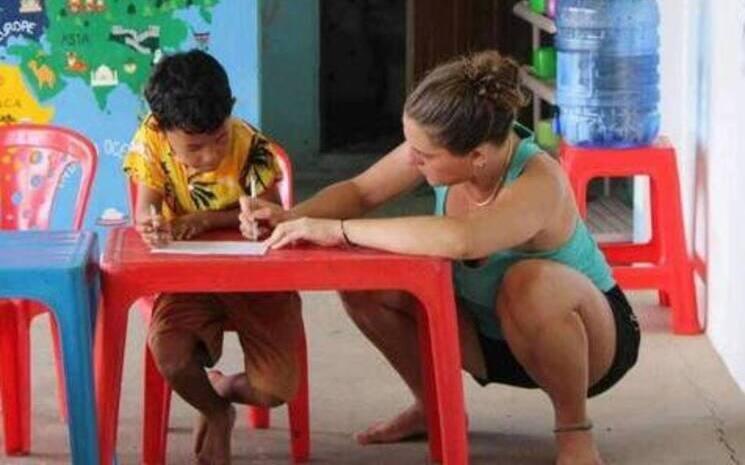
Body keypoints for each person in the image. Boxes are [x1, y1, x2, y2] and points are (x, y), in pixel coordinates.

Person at [239, 50, 640, 465]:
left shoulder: (539, 181)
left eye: (423, 156)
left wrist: (336, 231)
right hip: (490, 337)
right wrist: (290, 217)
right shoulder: (441, 148)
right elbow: (361, 192)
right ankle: (430, 407)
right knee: (368, 283)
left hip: (589, 347)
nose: (411, 160)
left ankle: (574, 430)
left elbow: (463, 239)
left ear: (478, 156)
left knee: (528, 281)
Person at [123, 49, 303, 465]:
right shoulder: (149, 142)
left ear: (230, 113)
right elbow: (145, 211)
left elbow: (273, 215)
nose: (211, 155)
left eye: (219, 138)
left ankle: (223, 389)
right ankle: (216, 411)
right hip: (191, 280)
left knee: (275, 390)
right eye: (195, 147)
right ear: (162, 128)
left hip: (257, 283)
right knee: (169, 353)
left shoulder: (251, 145)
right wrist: (151, 225)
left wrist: (223, 220)